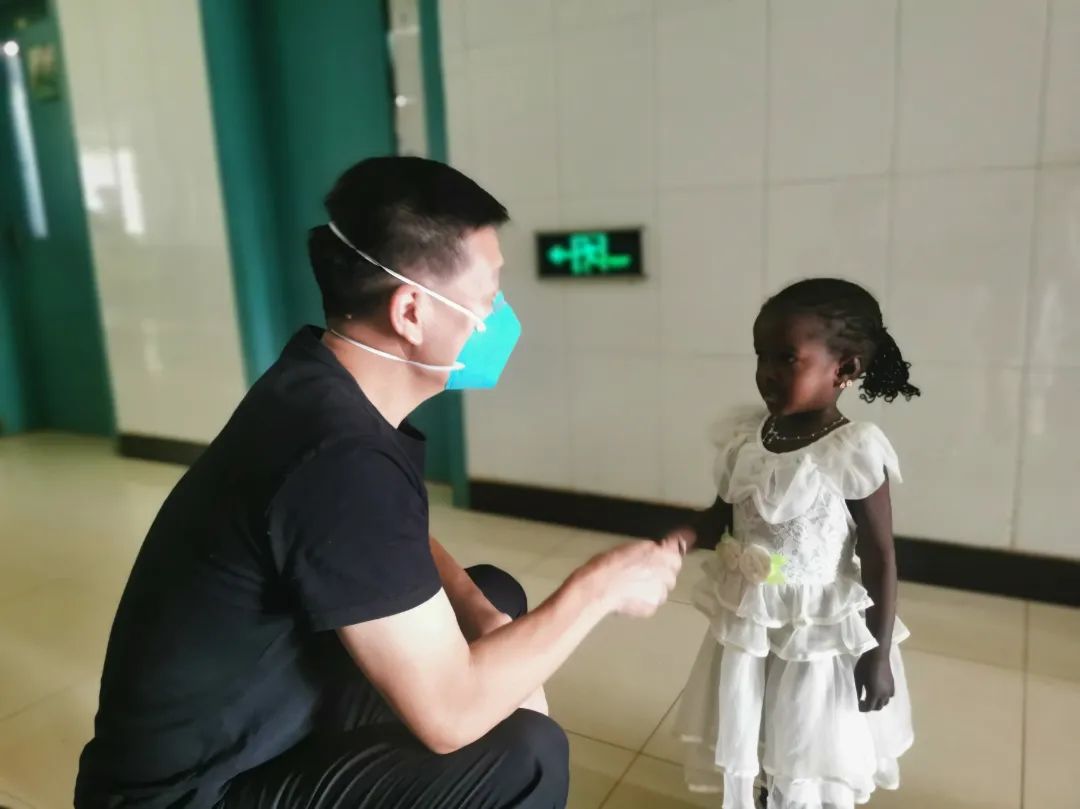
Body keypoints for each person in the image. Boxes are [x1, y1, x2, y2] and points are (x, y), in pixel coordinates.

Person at [75, 156, 686, 809]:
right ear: (411, 312)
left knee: (490, 598)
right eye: (489, 296)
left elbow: (390, 535)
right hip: (191, 793)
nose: (499, 314)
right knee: (526, 757)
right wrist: (598, 588)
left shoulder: (320, 383)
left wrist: (482, 613)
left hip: (257, 717)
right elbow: (450, 714)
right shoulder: (338, 457)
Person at [673, 279, 918, 808]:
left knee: (805, 737)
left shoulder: (852, 450)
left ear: (844, 368)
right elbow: (720, 515)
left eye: (786, 358)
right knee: (754, 718)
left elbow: (880, 556)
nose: (767, 372)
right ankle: (764, 791)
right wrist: (677, 538)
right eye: (761, 356)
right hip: (752, 619)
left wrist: (876, 653)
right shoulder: (747, 435)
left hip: (816, 633)